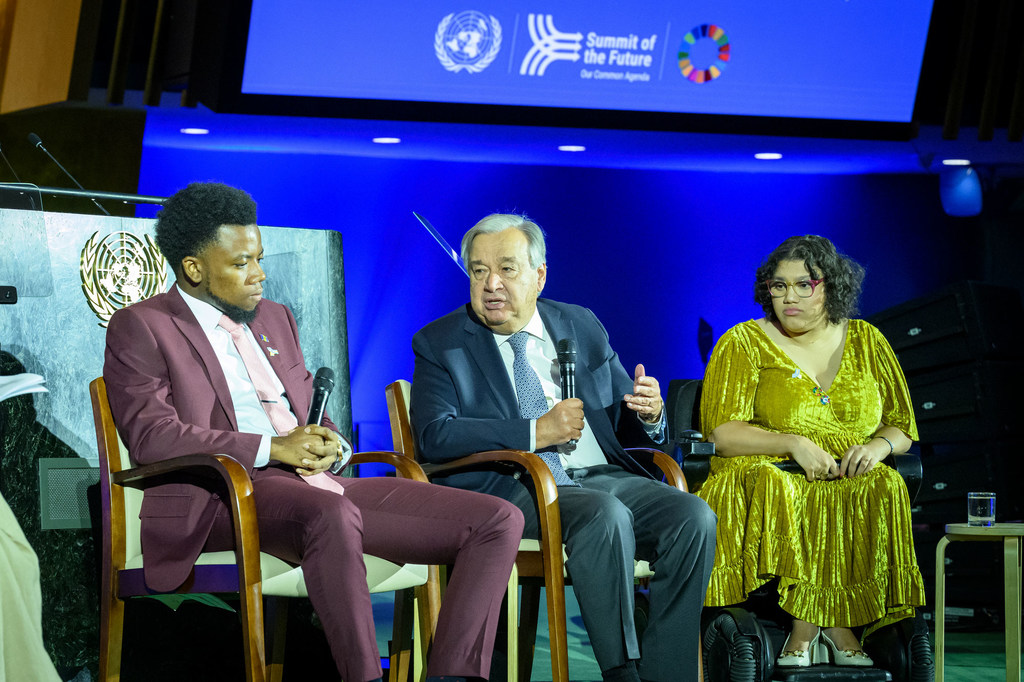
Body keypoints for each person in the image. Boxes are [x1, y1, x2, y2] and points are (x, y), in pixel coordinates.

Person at [103, 182, 524, 682]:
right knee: (330, 512)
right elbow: (153, 435)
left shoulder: (275, 318)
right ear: (194, 269)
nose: (259, 275)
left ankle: (453, 676)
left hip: (317, 488)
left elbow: (309, 412)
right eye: (241, 264)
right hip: (220, 498)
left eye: (258, 258)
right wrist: (271, 448)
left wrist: (331, 443)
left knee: (496, 520)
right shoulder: (143, 325)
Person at [410, 213, 716, 682]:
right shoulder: (441, 342)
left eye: (507, 269)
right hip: (517, 488)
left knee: (694, 517)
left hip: (603, 476)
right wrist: (536, 431)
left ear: (539, 275)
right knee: (603, 515)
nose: (491, 284)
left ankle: (668, 673)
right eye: (478, 271)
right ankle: (622, 671)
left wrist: (650, 415)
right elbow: (435, 434)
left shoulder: (579, 323)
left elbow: (621, 421)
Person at [698, 234, 925, 668]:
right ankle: (814, 628)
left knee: (885, 483)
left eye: (805, 284)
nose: (789, 297)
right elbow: (722, 432)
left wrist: (878, 447)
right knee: (787, 486)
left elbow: (903, 427)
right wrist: (793, 443)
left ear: (832, 286)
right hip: (769, 467)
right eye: (778, 286)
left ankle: (850, 625)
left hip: (849, 471)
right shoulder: (743, 342)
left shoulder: (868, 341)